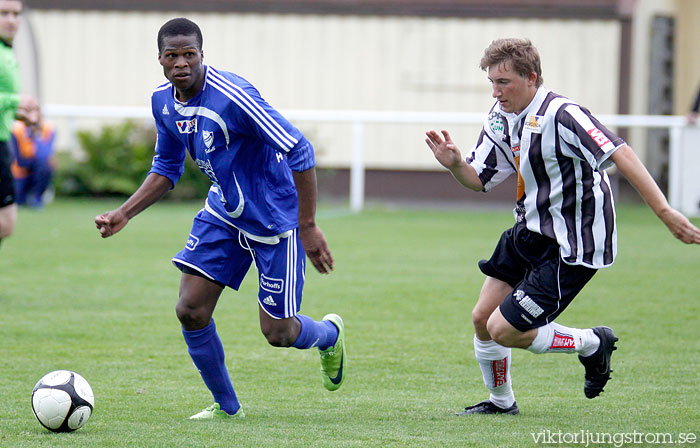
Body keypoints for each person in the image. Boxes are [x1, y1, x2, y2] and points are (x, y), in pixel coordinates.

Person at [425, 38, 700, 415]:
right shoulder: (499, 115)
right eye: (492, 81)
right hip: (530, 230)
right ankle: (502, 403)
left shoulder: (563, 114)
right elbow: (480, 179)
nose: (495, 91)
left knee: (505, 329)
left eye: (503, 82)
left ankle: (591, 343)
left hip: (573, 244)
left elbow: (620, 153)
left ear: (531, 78)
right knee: (482, 320)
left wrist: (665, 212)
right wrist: (456, 164)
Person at [95, 18, 346, 419]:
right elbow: (166, 167)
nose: (181, 63)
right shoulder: (163, 101)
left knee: (279, 334)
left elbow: (300, 150)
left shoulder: (233, 97)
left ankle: (329, 336)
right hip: (224, 213)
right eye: (172, 56)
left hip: (273, 221)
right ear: (159, 59)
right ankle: (228, 409)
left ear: (201, 55)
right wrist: (124, 212)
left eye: (188, 54)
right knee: (190, 309)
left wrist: (308, 225)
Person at [0, 0, 36, 245]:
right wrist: (17, 100)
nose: (11, 20)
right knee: (5, 222)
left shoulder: (6, 51)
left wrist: (19, 114)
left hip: (3, 142)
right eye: (4, 13)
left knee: (6, 222)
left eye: (16, 14)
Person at [11, 103, 56, 208]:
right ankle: (23, 195)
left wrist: (36, 135)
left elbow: (45, 154)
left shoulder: (47, 129)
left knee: (45, 167)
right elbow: (16, 156)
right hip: (20, 166)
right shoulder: (16, 129)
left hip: (38, 165)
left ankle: (37, 197)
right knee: (18, 199)